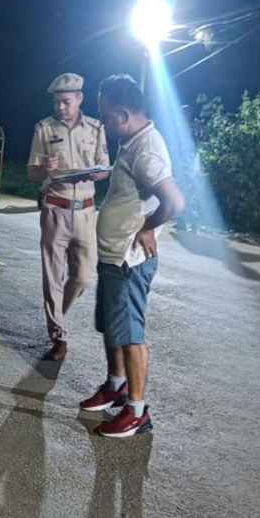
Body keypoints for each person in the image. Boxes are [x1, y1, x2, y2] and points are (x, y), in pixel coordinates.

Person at [80, 74, 185, 437]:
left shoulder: (147, 150)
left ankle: (137, 411)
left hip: (129, 259)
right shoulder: (131, 140)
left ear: (123, 114)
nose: (103, 123)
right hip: (113, 255)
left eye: (106, 115)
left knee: (131, 333)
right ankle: (116, 386)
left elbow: (174, 201)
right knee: (112, 327)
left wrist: (148, 227)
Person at [26, 73, 110, 361]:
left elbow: (103, 169)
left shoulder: (97, 129)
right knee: (53, 277)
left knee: (84, 276)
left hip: (86, 211)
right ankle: (59, 336)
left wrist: (98, 172)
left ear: (79, 99)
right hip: (55, 209)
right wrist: (45, 170)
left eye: (65, 102)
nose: (60, 107)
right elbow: (31, 173)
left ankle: (57, 313)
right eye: (56, 102)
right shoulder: (44, 129)